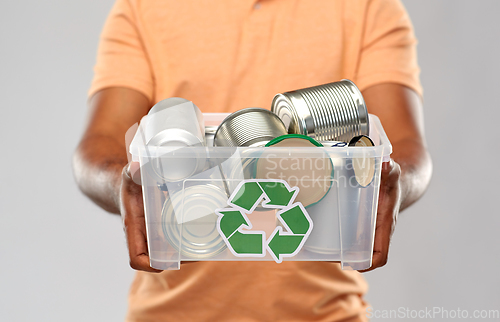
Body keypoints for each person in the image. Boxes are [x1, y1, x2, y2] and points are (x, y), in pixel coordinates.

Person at [73, 0, 432, 321]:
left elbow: (404, 148)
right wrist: (123, 181)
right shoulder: (142, 7)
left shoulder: (369, 7)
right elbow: (98, 146)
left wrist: (389, 180)